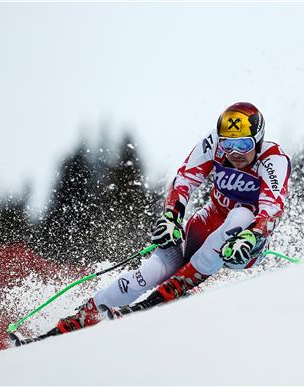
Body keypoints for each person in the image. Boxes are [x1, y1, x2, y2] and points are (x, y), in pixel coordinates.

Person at [56, 102, 291, 333]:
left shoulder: (273, 158)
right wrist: (172, 218)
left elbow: (272, 207)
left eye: (243, 144)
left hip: (247, 244)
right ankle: (88, 313)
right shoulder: (214, 144)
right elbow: (185, 180)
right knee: (152, 270)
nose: (235, 153)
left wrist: (252, 234)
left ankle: (173, 290)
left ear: (258, 139)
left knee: (241, 214)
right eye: (229, 144)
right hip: (211, 221)